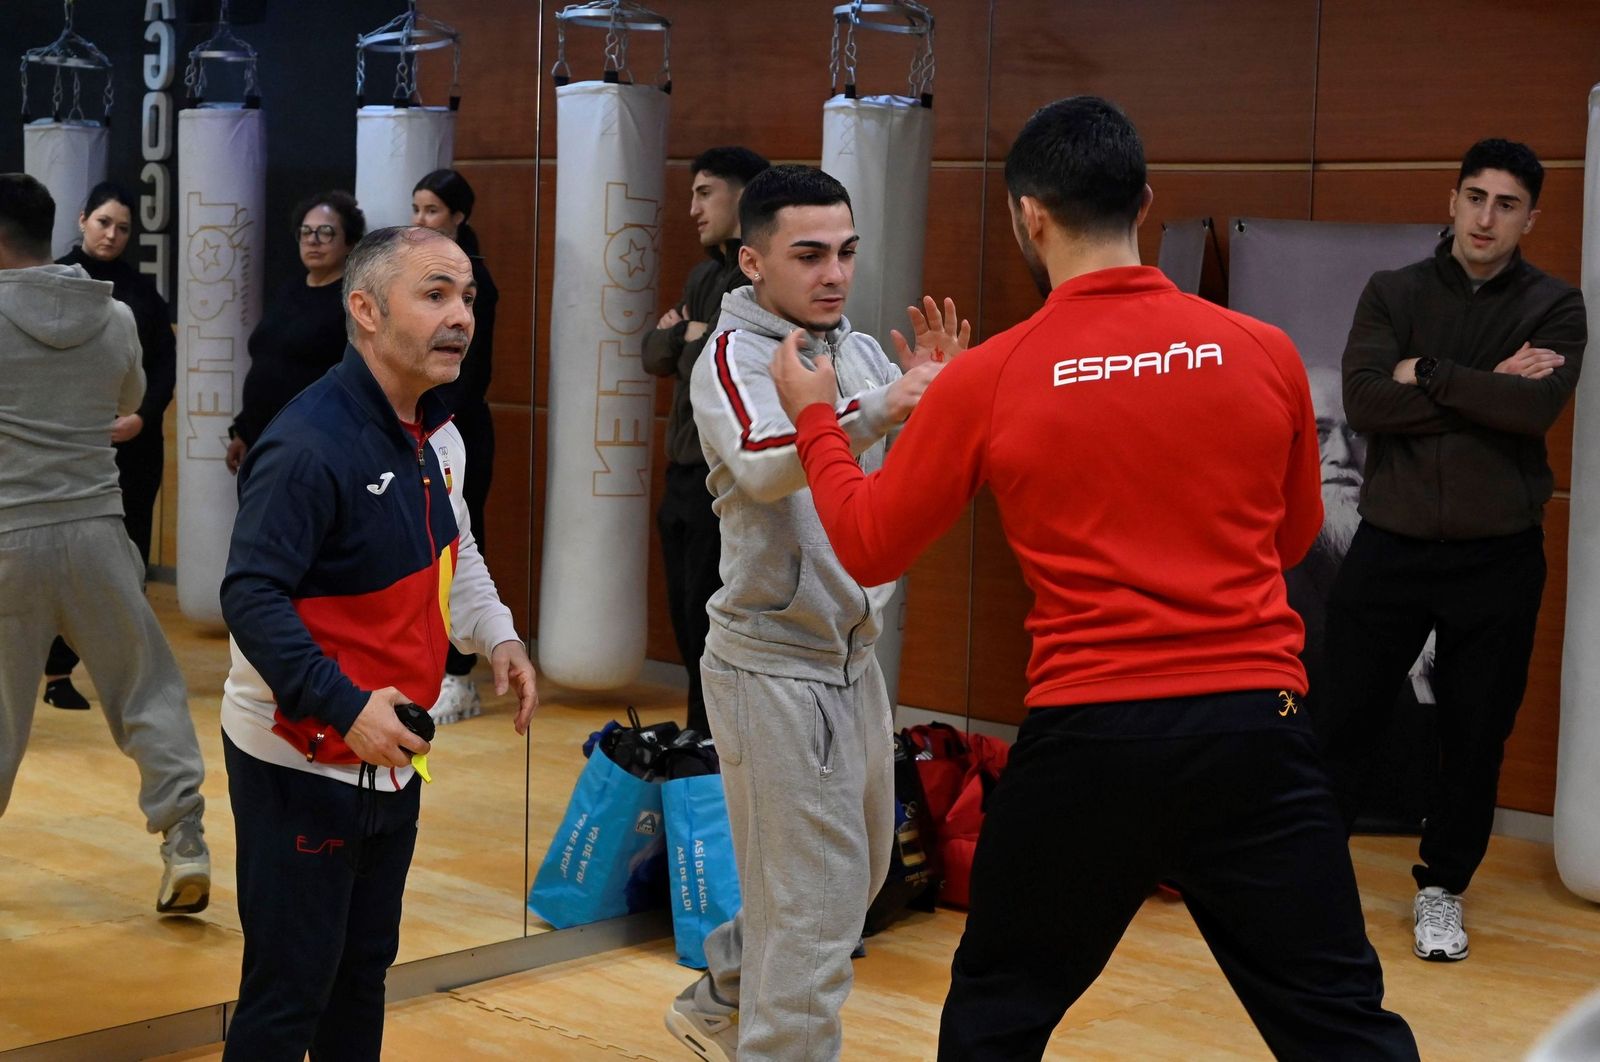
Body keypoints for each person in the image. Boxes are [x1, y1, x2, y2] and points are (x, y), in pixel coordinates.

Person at [771, 97, 1418, 1060]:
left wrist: (818, 418)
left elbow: (866, 547)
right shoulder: (1266, 351)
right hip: (1254, 734)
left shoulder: (991, 376)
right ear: (1145, 202)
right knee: (1338, 1025)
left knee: (996, 1019)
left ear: (1029, 215)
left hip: (1092, 739)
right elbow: (1291, 543)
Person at [219, 225, 538, 1060]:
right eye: (435, 294)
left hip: (391, 750)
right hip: (300, 757)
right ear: (364, 309)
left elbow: (453, 545)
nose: (461, 315)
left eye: (466, 297)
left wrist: (497, 633)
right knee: (290, 991)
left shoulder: (442, 432)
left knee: (361, 974)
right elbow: (251, 597)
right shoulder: (307, 444)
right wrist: (344, 704)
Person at [663, 165, 957, 1062]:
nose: (834, 273)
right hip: (772, 666)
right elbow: (760, 462)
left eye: (846, 251)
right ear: (752, 262)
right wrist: (875, 407)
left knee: (850, 879)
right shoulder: (734, 357)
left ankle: (720, 1002)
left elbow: (886, 472)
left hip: (850, 660)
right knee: (820, 915)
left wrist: (928, 397)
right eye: (809, 254)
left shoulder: (858, 349)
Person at [1324, 137, 1586, 963]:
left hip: (1497, 558)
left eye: (1506, 205)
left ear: (1530, 219)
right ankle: (1312, 880)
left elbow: (1530, 411)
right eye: (1475, 197)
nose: (1486, 217)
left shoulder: (1557, 306)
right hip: (1391, 544)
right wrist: (1481, 380)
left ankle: (1442, 890)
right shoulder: (1393, 290)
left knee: (1476, 735)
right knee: (1340, 716)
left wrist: (1427, 371)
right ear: (1452, 200)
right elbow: (1364, 402)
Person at [0, 172, 211, 915]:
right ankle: (184, 839)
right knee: (144, 687)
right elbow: (127, 404)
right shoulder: (118, 316)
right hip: (97, 531)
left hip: (9, 537)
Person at [642, 145, 770, 735]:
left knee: (711, 619)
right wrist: (691, 335)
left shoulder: (757, 276)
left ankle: (713, 747)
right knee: (685, 621)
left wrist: (690, 337)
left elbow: (711, 368)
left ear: (743, 197)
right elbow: (653, 351)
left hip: (723, 480)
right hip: (680, 476)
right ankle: (699, 741)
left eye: (704, 192)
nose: (692, 207)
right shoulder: (701, 276)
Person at [40, 181, 178, 711]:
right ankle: (55, 671)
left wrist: (143, 417)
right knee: (70, 560)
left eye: (122, 227)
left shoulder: (141, 292)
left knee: (130, 559)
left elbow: (163, 364)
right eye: (103, 222)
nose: (112, 234)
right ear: (82, 220)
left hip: (134, 449)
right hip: (69, 449)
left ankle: (124, 672)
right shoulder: (51, 281)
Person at [412, 169, 501, 725]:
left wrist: (434, 416)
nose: (421, 220)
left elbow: (469, 372)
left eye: (433, 211)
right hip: (421, 421)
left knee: (458, 545)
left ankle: (461, 675)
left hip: (457, 425)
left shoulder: (476, 283)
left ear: (459, 217)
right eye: (417, 209)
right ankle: (425, 664)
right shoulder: (415, 276)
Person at [225, 189, 365, 472]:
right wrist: (243, 429)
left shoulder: (353, 302)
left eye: (325, 232)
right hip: (262, 438)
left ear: (349, 242)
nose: (313, 240)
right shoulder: (290, 289)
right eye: (306, 232)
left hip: (314, 443)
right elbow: (268, 363)